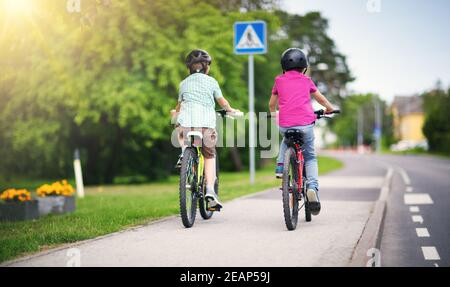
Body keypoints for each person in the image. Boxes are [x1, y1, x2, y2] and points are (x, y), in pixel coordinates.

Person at [268, 48, 336, 215]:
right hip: (305, 124)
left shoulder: (279, 80)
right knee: (310, 157)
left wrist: (273, 114)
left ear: (283, 66)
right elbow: (319, 97)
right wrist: (329, 108)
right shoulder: (307, 81)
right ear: (304, 66)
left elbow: (271, 104)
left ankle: (280, 166)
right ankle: (312, 187)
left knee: (286, 138)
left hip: (285, 124)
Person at [171, 49, 239, 209]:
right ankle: (209, 190)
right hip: (205, 126)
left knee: (180, 131)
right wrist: (231, 110)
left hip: (186, 125)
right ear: (207, 67)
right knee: (209, 155)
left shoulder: (183, 83)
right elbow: (222, 102)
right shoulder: (212, 82)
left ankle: (184, 153)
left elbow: (179, 106)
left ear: (189, 68)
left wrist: (175, 118)